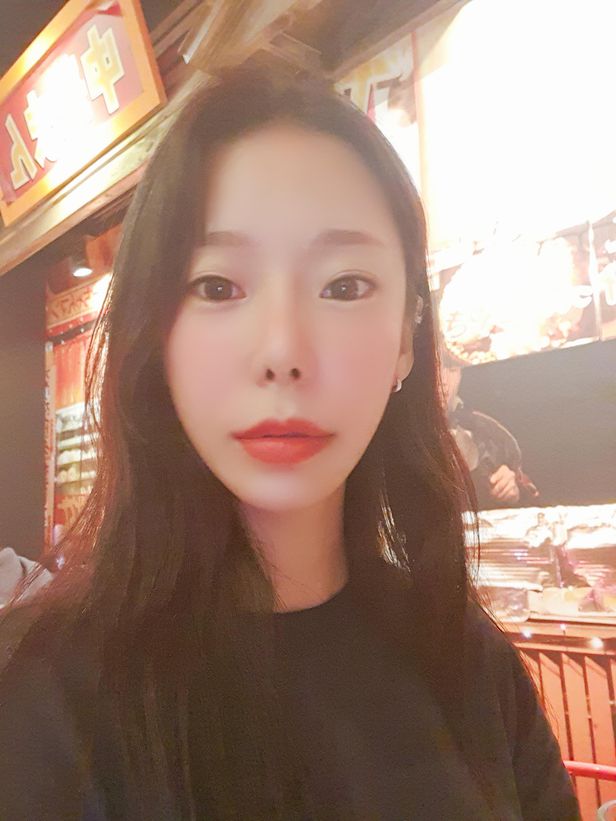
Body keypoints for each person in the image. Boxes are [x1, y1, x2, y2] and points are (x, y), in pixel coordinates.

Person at [0, 66, 580, 820]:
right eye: (217, 287)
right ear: (155, 335)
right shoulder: (41, 695)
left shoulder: (470, 664)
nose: (282, 351)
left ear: (408, 340)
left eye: (344, 286)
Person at [440, 354, 540, 509]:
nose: (443, 380)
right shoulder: (400, 436)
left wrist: (513, 490)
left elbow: (533, 500)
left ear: (460, 374)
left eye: (451, 369)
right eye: (432, 368)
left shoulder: (490, 432)